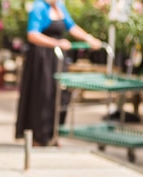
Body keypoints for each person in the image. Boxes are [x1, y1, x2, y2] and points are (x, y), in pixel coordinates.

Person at [14, 0, 102, 147]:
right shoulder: (39, 7)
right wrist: (57, 43)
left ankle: (53, 134)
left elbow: (71, 26)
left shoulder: (59, 6)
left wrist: (89, 38)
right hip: (41, 59)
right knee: (43, 95)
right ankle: (39, 136)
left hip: (57, 59)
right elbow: (33, 34)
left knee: (60, 95)